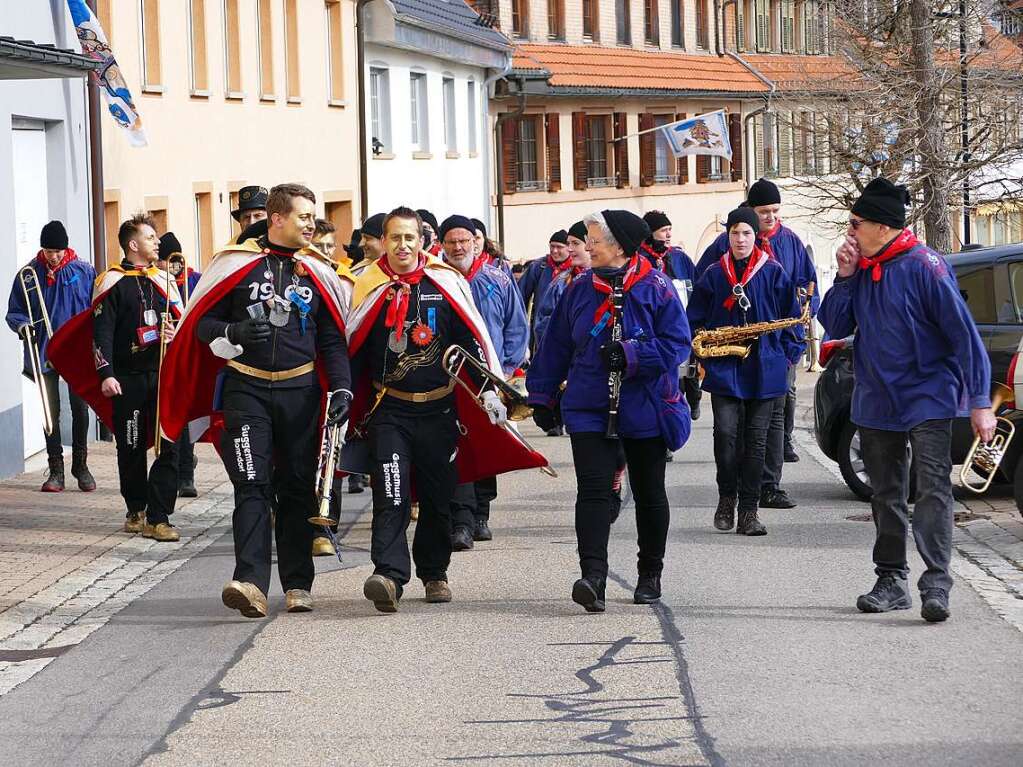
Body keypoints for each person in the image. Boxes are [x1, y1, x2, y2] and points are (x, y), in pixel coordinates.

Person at [161, 184, 352, 618]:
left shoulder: (318, 270)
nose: (311, 224)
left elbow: (331, 340)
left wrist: (342, 388)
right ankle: (249, 582)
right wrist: (233, 333)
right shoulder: (235, 264)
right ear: (277, 217)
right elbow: (201, 324)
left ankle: (298, 582)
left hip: (300, 395)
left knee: (297, 489)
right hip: (245, 391)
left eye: (312, 216)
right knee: (251, 485)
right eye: (303, 216)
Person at [344, 207, 546, 613]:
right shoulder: (366, 285)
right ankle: (389, 574)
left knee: (438, 500)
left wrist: (490, 390)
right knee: (392, 493)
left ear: (423, 241)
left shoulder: (445, 282)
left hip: (438, 411)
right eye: (395, 238)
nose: (403, 246)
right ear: (383, 241)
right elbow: (351, 349)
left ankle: (434, 572)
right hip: (389, 411)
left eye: (410, 238)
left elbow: (471, 342)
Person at [819, 178, 994, 623]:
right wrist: (844, 276)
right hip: (877, 399)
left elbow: (964, 337)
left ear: (881, 226)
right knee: (886, 493)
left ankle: (936, 584)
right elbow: (835, 323)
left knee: (933, 490)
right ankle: (891, 580)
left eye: (856, 223)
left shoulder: (926, 266)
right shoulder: (862, 267)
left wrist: (979, 400)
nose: (850, 231)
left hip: (929, 396)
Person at [527, 210, 692, 612]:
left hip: (646, 405)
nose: (585, 246)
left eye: (594, 240)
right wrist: (542, 396)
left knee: (650, 492)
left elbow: (678, 344)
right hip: (589, 404)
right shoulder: (579, 288)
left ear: (619, 246)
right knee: (594, 491)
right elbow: (556, 346)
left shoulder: (657, 287)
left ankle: (649, 572)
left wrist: (633, 355)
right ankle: (593, 577)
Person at [49, 214, 183, 540]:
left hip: (163, 375)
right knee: (132, 446)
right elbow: (101, 334)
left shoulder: (164, 282)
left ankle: (159, 515)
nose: (157, 243)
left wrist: (174, 331)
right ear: (133, 244)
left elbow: (182, 325)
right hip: (128, 378)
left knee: (171, 446)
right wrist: (105, 373)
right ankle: (136, 508)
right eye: (151, 237)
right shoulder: (111, 282)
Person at [697, 180, 818, 509]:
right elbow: (702, 289)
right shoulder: (722, 249)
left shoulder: (789, 242)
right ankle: (734, 486)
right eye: (764, 212)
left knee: (770, 424)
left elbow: (808, 291)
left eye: (775, 212)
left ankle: (768, 485)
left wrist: (791, 351)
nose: (770, 217)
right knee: (730, 428)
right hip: (730, 356)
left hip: (772, 353)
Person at [687, 207, 803, 538]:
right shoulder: (713, 274)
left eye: (747, 233)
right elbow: (693, 319)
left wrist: (787, 358)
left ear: (756, 237)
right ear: (728, 236)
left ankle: (749, 512)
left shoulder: (775, 273)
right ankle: (727, 498)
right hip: (725, 365)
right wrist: (702, 349)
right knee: (725, 435)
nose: (740, 239)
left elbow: (793, 320)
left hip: (765, 368)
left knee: (756, 441)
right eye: (735, 233)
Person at [438, 214, 528, 548]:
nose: (459, 247)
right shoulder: (437, 280)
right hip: (450, 378)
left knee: (488, 441)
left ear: (475, 242)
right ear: (443, 245)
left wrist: (505, 371)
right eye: (452, 242)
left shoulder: (498, 279)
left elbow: (516, 326)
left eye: (464, 240)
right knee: (456, 445)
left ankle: (481, 513)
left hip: (490, 376)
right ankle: (460, 518)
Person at [5, 220, 97, 492]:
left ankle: (80, 465)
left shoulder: (84, 271)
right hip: (44, 350)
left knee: (80, 409)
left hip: (76, 351)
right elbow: (15, 310)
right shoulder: (28, 274)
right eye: (48, 250)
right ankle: (56, 468)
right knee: (50, 411)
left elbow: (96, 308)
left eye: (57, 250)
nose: (53, 256)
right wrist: (22, 326)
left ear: (65, 248)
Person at [641, 210, 703, 424]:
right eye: (663, 230)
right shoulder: (641, 259)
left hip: (684, 319)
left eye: (669, 230)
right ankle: (669, 424)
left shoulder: (678, 257)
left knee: (690, 366)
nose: (668, 235)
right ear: (650, 233)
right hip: (656, 324)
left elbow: (697, 285)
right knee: (668, 376)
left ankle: (694, 396)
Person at [156, 232, 200, 499]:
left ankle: (187, 475)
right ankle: (177, 469)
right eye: (164, 262)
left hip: (190, 354)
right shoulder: (157, 282)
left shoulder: (195, 280)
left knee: (188, 418)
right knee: (173, 418)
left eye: (171, 262)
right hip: (164, 355)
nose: (168, 267)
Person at [518, 230, 570, 330]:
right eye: (552, 246)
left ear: (569, 248)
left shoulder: (576, 269)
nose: (554, 250)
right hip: (541, 329)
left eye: (559, 247)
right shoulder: (538, 267)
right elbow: (519, 296)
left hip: (566, 328)